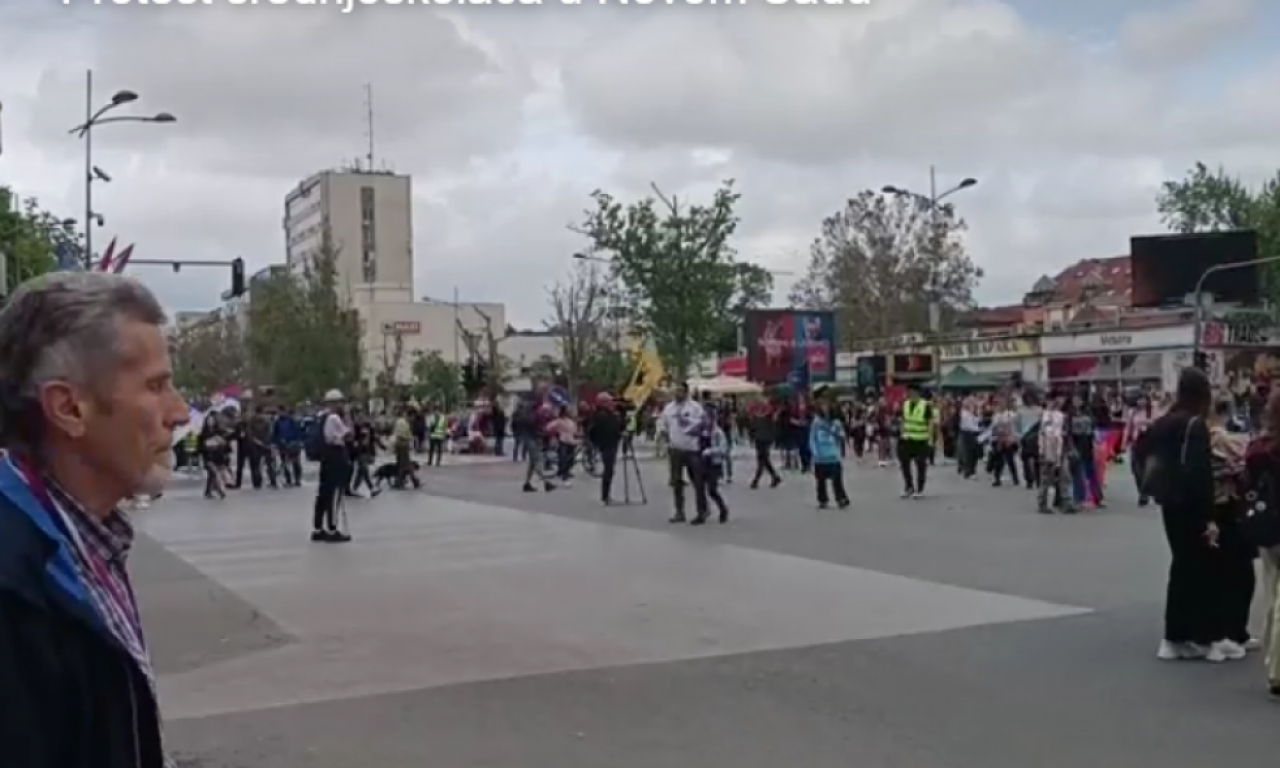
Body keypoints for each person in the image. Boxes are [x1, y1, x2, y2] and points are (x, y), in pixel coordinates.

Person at [0, 272, 190, 766]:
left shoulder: (78, 536)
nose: (180, 412)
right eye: (156, 386)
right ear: (68, 408)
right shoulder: (14, 583)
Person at [1149, 368, 1226, 661]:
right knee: (1202, 570)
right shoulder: (1195, 425)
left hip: (1170, 502)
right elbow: (1200, 474)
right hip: (1192, 505)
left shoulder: (1164, 422)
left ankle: (1175, 636)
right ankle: (1203, 637)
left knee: (1182, 567)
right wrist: (1209, 516)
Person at [1243, 388, 1280, 699]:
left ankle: (1272, 659)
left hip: (1268, 526)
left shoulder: (1259, 448)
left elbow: (1248, 484)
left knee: (1271, 592)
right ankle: (1277, 668)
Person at [659, 381, 709, 524]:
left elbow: (703, 425)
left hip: (692, 449)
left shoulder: (695, 407)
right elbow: (664, 426)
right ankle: (679, 512)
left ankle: (702, 511)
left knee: (697, 481)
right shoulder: (668, 409)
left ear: (686, 392)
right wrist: (665, 442)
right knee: (676, 482)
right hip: (675, 449)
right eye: (676, 391)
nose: (677, 393)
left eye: (680, 391)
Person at [312, 390, 353, 543]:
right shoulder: (334, 417)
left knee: (323, 493)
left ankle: (318, 528)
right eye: (341, 402)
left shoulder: (321, 417)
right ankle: (332, 528)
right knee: (334, 495)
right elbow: (348, 435)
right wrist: (347, 418)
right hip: (335, 456)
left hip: (325, 458)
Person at [810, 399, 850, 509]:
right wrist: (814, 452)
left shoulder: (836, 423)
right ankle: (823, 500)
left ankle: (840, 498)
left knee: (837, 480)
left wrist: (837, 433)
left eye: (827, 407)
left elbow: (842, 436)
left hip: (833, 456)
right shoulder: (816, 423)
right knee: (820, 481)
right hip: (820, 457)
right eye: (823, 407)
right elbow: (812, 439)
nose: (825, 409)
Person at [587, 393, 624, 505]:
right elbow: (614, 427)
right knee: (608, 471)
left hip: (610, 444)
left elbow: (619, 427)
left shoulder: (607, 414)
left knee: (610, 470)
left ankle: (606, 495)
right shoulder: (602, 415)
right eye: (608, 402)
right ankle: (605, 496)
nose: (611, 404)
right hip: (607, 445)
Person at [898, 386, 932, 498]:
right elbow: (903, 419)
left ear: (918, 393)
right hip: (907, 439)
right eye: (909, 392)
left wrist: (930, 439)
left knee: (921, 465)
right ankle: (909, 487)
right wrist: (902, 432)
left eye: (913, 392)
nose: (911, 394)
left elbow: (930, 422)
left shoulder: (925, 405)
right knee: (904, 464)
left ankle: (920, 489)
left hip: (921, 439)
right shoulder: (905, 404)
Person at [700, 407, 731, 523]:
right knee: (700, 488)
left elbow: (723, 449)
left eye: (707, 418)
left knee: (712, 490)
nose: (705, 421)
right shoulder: (701, 432)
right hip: (702, 463)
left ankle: (723, 509)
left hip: (714, 463)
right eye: (703, 418)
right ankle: (703, 510)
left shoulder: (718, 433)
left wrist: (710, 451)